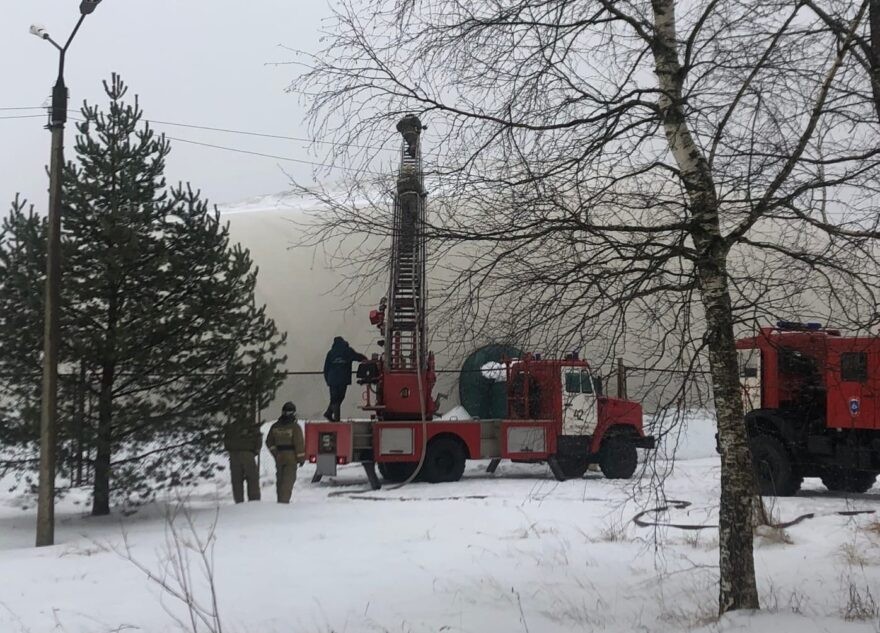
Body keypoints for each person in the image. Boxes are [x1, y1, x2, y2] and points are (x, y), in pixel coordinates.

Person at [265, 401, 305, 503]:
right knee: (288, 480)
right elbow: (299, 443)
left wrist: (276, 454)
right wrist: (301, 459)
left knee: (280, 480)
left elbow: (269, 442)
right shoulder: (295, 427)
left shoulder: (275, 426)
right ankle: (284, 503)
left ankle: (280, 501)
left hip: (279, 457)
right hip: (291, 457)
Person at [323, 336, 368, 421]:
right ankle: (335, 418)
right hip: (343, 379)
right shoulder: (347, 351)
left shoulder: (331, 353)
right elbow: (357, 356)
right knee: (340, 397)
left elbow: (326, 368)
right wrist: (365, 359)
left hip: (332, 380)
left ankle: (329, 413)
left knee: (334, 398)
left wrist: (327, 380)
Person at [222, 415, 262, 503]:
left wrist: (231, 450)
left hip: (234, 455)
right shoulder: (252, 426)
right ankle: (254, 501)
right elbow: (258, 439)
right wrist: (255, 451)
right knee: (252, 479)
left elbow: (226, 442)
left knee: (237, 481)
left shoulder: (231, 427)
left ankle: (239, 502)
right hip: (248, 453)